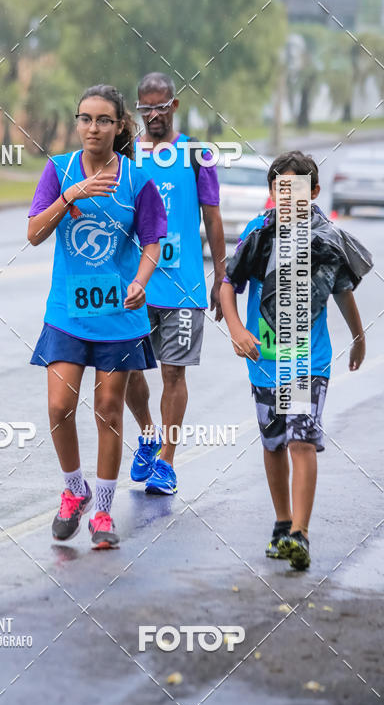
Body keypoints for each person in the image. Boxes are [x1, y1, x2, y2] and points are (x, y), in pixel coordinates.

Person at [28, 84, 167, 549]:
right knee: (58, 407)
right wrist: (71, 195)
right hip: (67, 312)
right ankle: (75, 491)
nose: (93, 128)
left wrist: (141, 280)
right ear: (77, 123)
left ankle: (103, 513)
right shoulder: (59, 170)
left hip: (118, 314)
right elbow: (33, 234)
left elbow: (152, 242)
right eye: (85, 118)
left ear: (119, 125)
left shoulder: (137, 180)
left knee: (108, 409)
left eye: (103, 120)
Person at [220, 151, 372, 570]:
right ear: (271, 192)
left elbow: (342, 290)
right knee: (274, 443)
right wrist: (236, 328)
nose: (288, 197)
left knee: (300, 438)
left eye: (298, 190)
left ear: (315, 192)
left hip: (308, 360)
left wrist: (358, 340)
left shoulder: (326, 238)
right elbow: (228, 284)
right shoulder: (259, 234)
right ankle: (283, 523)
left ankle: (300, 535)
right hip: (263, 358)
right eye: (280, 189)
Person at [126, 72, 226, 495]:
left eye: (160, 106)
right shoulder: (127, 154)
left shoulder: (196, 154)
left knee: (173, 373)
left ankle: (166, 461)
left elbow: (213, 217)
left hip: (184, 285)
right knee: (128, 368)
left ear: (175, 105)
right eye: (145, 108)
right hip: (135, 285)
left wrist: (222, 275)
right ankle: (147, 433)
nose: (152, 115)